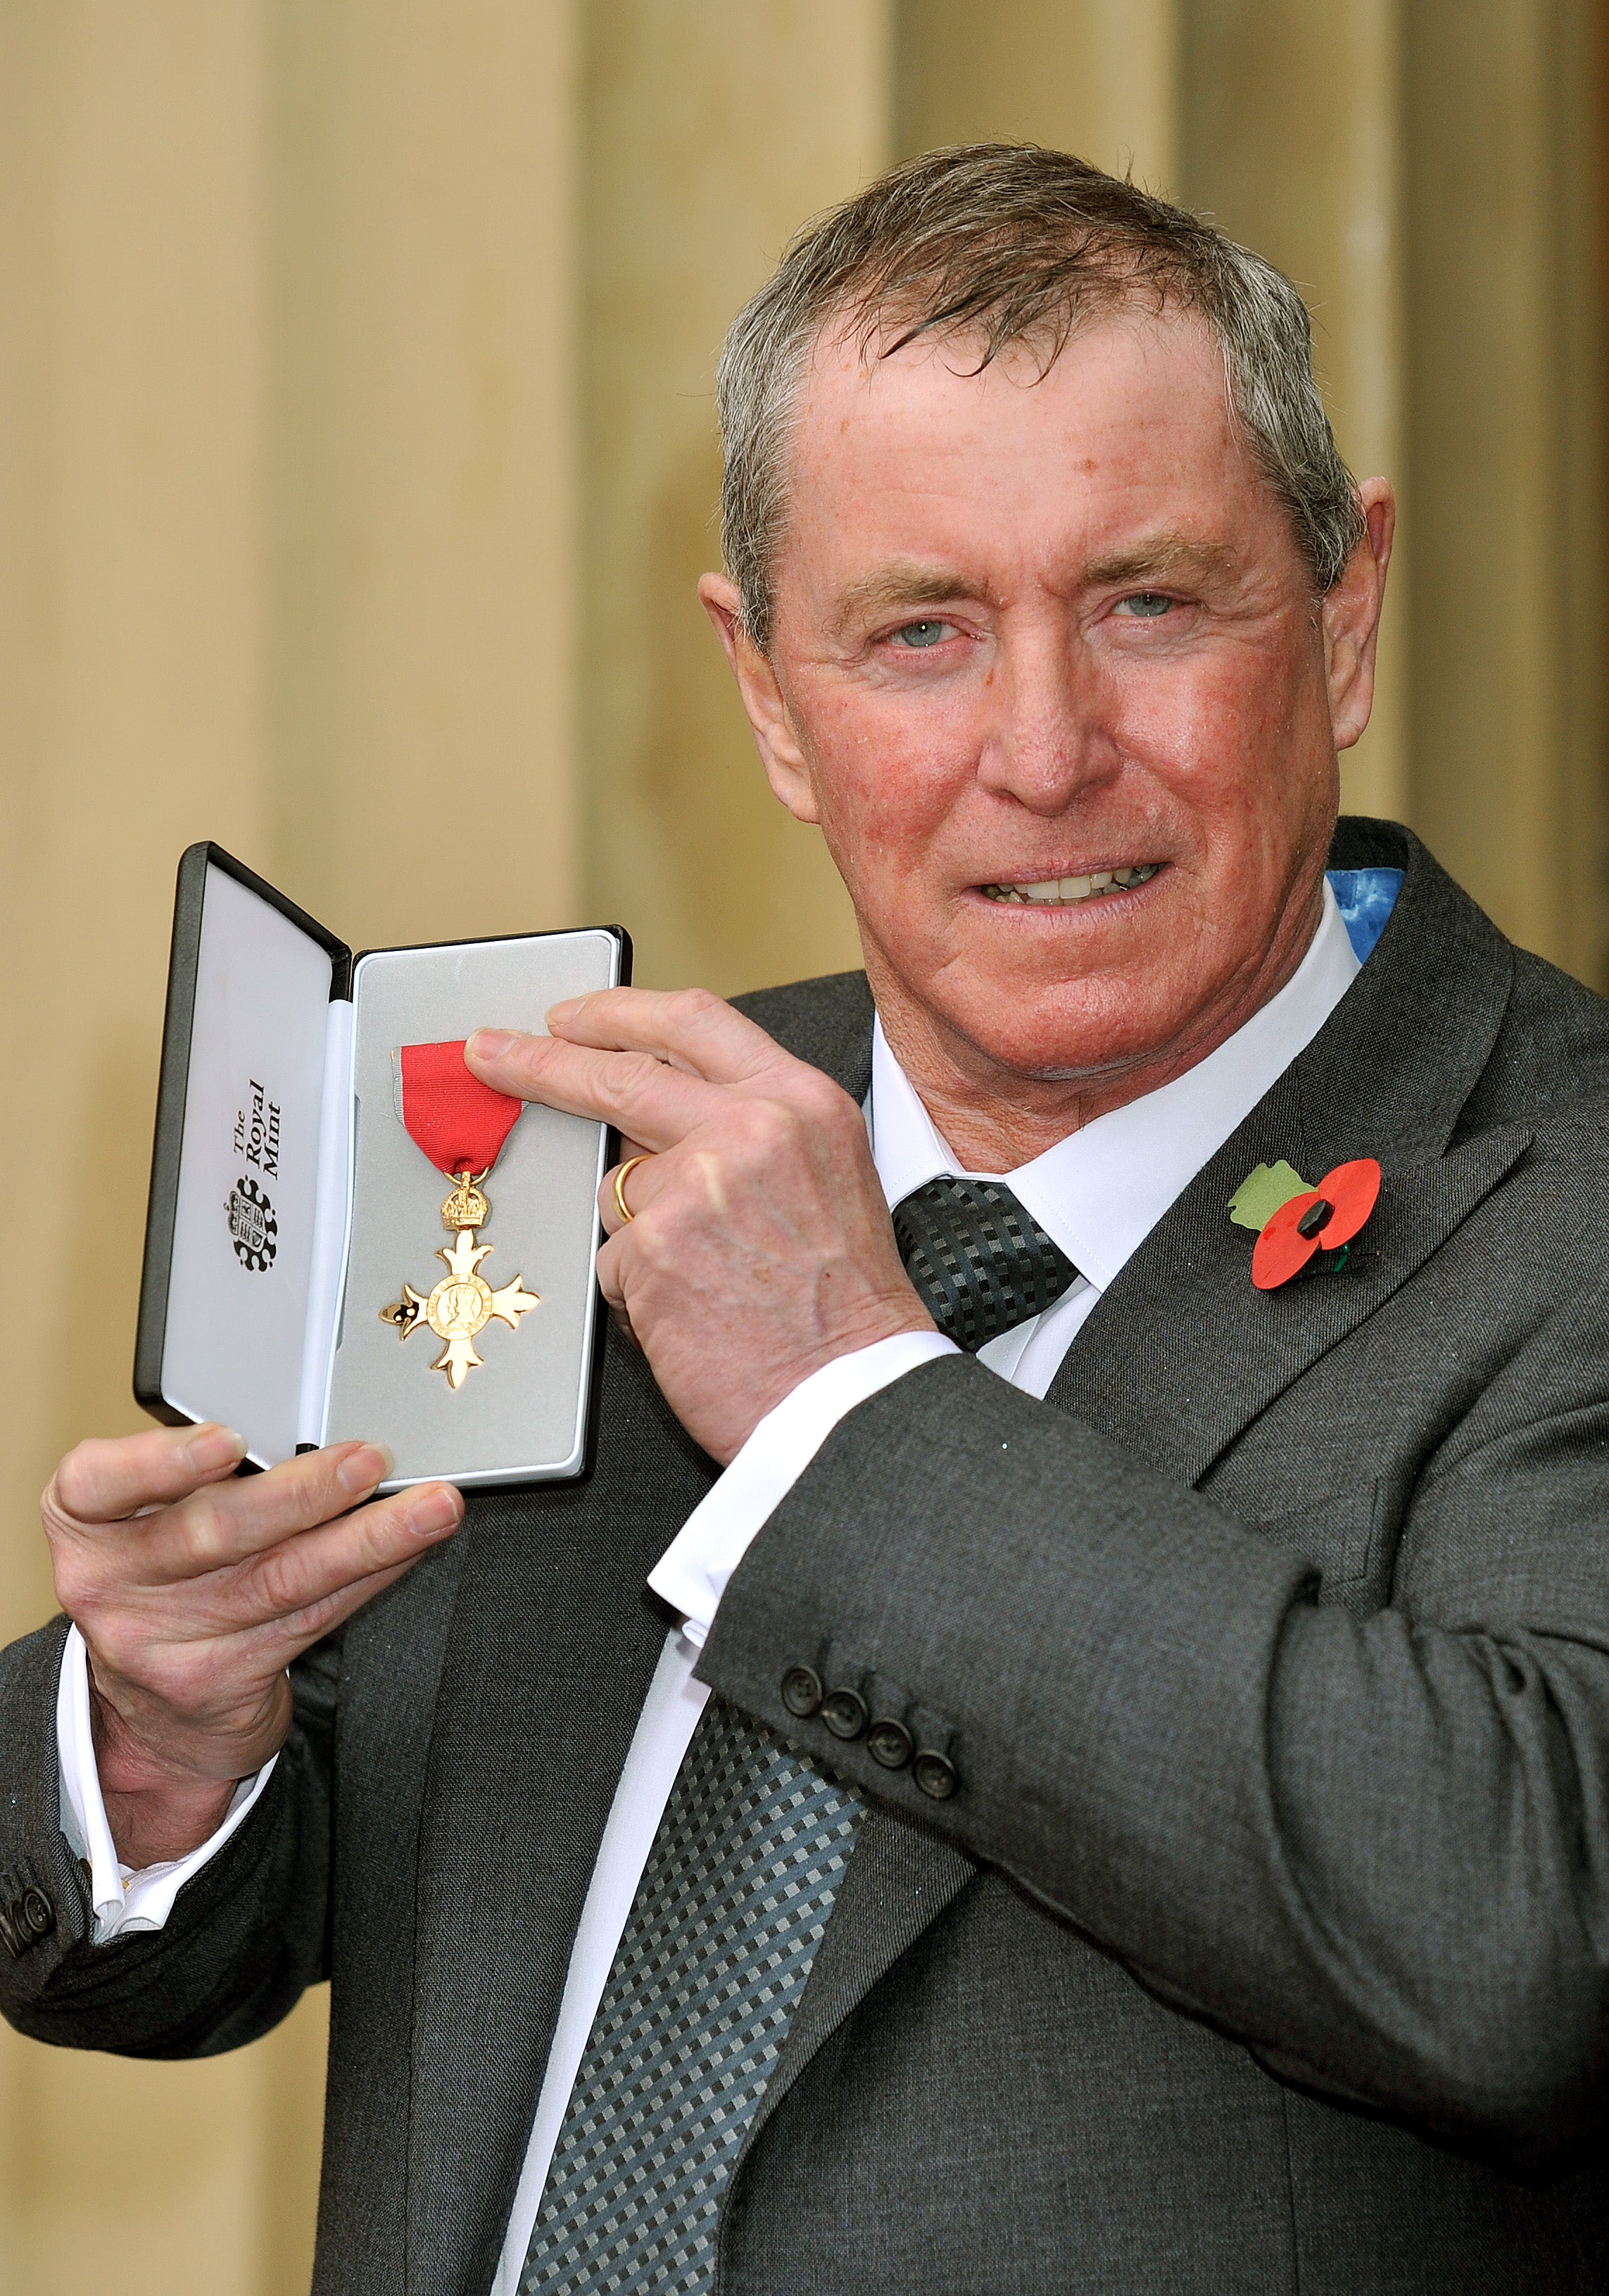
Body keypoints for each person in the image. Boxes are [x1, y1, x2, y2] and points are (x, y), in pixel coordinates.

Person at [4, 144, 1608, 2295]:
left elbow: (1534, 1941)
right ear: (767, 693)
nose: (1044, 751)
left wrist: (850, 1409)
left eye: (1147, 603)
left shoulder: (1559, 1193)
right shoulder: (582, 1151)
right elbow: (215, 1913)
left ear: (1342, 619)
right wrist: (160, 1743)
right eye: (920, 634)